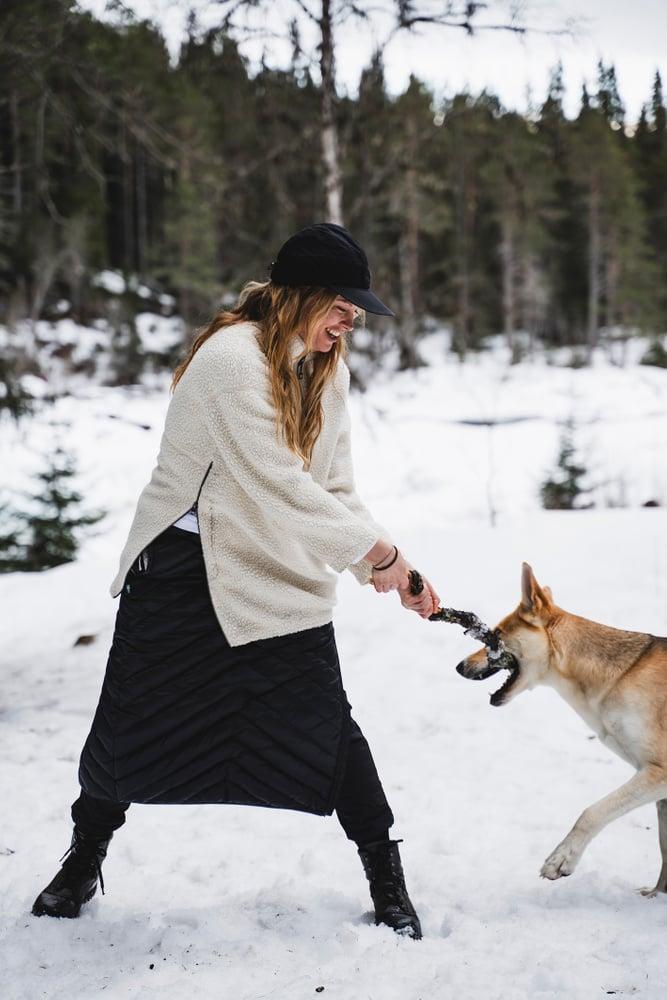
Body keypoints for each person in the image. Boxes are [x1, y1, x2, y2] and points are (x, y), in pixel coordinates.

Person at [31, 223, 440, 940]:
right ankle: (82, 861)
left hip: (271, 571)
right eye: (341, 305)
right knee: (126, 729)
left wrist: (383, 564)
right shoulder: (228, 359)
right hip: (182, 575)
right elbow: (274, 481)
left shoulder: (326, 368)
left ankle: (384, 871)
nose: (350, 321)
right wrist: (376, 554)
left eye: (354, 311)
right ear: (302, 295)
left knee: (327, 727)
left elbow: (331, 486)